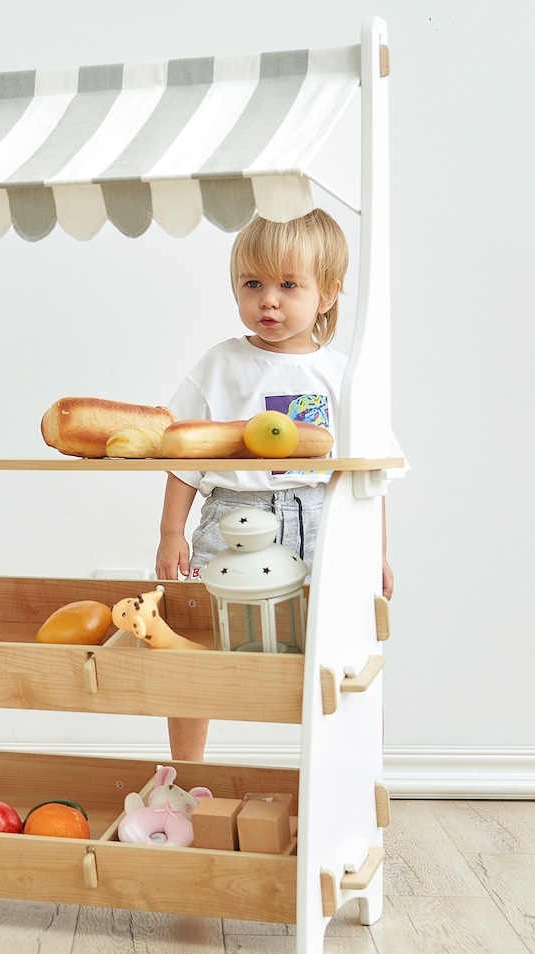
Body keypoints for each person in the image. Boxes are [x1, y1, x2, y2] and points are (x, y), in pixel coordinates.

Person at [155, 209, 395, 762]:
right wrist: (172, 534)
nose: (269, 300)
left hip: (321, 519)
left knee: (342, 649)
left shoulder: (342, 376)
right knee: (197, 646)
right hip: (229, 519)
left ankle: (352, 776)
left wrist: (375, 551)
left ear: (328, 293)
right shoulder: (220, 365)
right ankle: (187, 770)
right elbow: (179, 455)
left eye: (289, 285)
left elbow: (368, 473)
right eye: (253, 284)